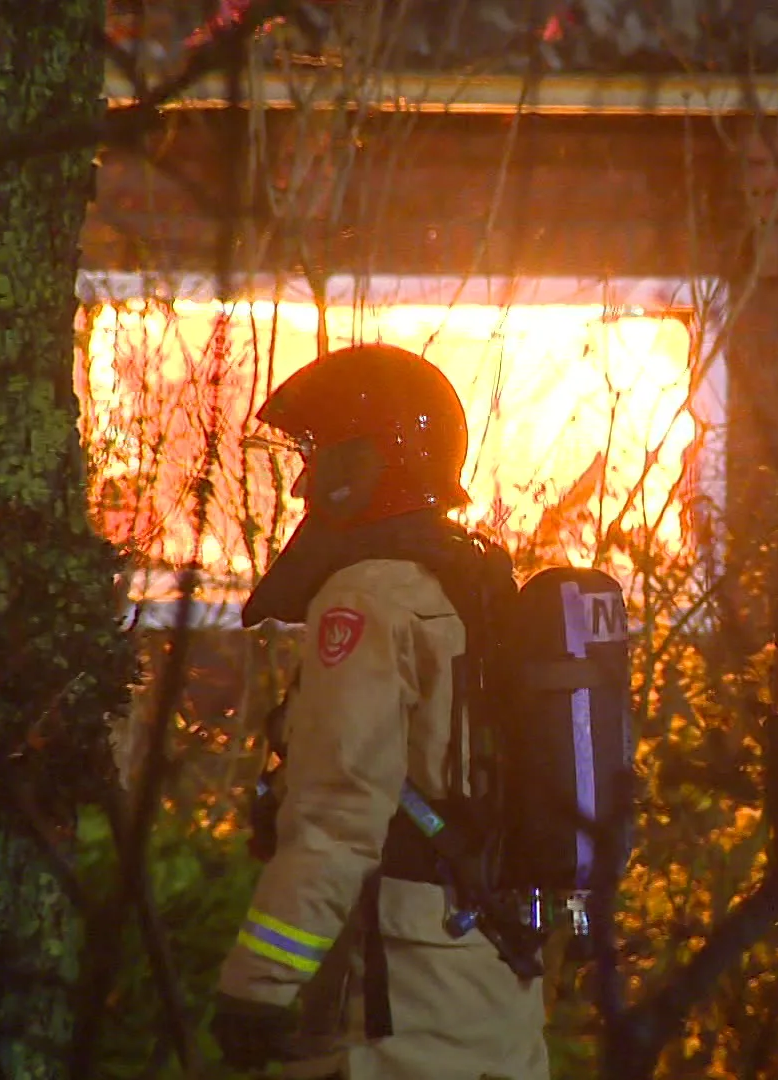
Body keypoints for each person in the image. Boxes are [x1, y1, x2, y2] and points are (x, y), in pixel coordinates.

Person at [209, 343, 548, 1080]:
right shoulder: (468, 579)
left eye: (315, 454)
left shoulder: (365, 598)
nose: (301, 481)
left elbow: (338, 814)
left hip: (407, 1001)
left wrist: (255, 989)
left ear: (357, 470)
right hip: (494, 978)